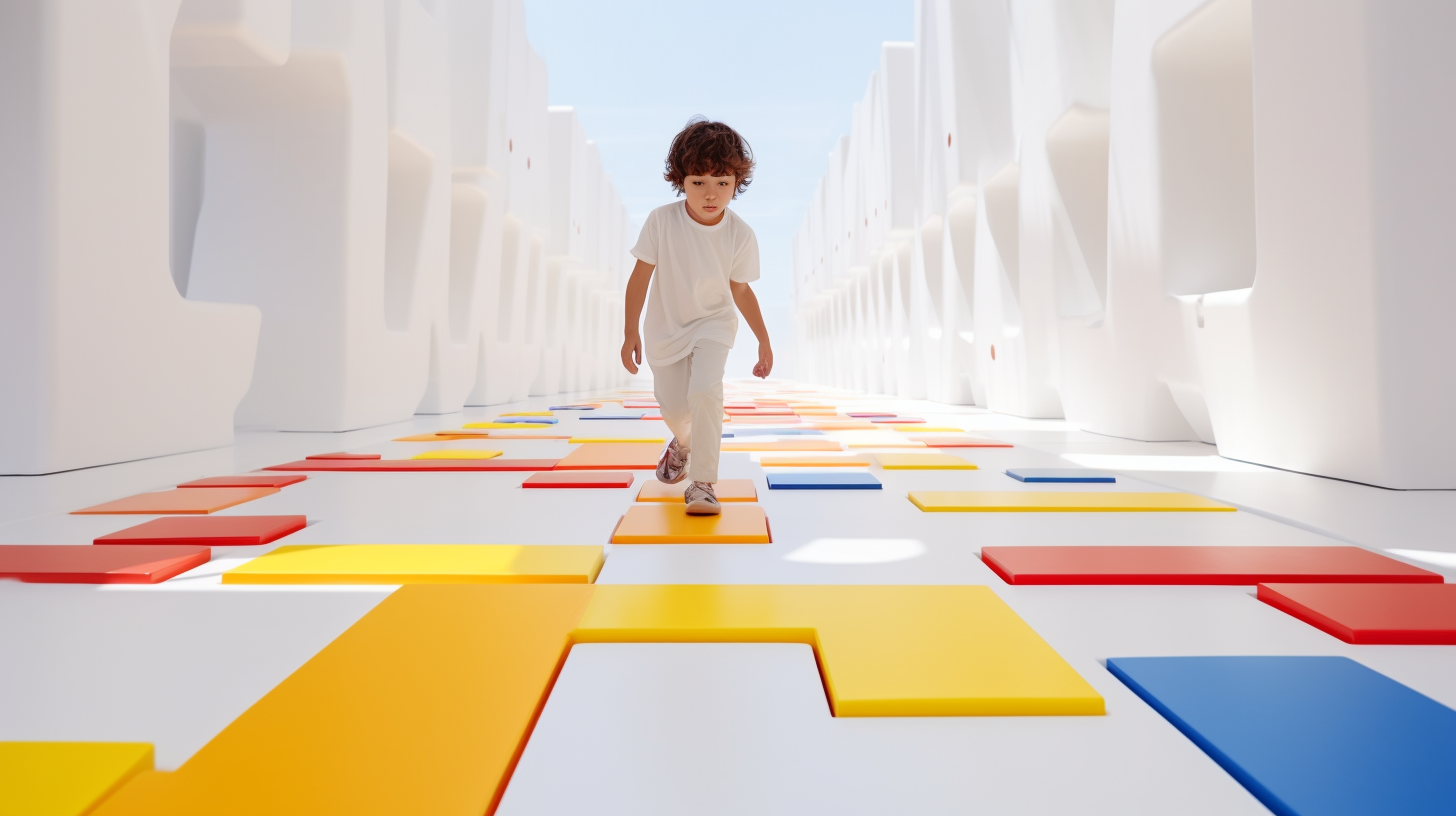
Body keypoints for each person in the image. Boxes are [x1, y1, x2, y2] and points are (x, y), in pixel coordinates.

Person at [620, 117, 773, 515]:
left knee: (706, 391)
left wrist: (764, 339)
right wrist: (628, 331)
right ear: (681, 180)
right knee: (674, 408)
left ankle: (702, 483)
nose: (711, 194)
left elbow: (740, 289)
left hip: (714, 324)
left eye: (722, 182)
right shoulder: (661, 221)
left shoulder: (740, 234)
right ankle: (683, 444)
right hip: (665, 329)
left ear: (736, 182)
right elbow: (640, 276)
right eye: (698, 182)